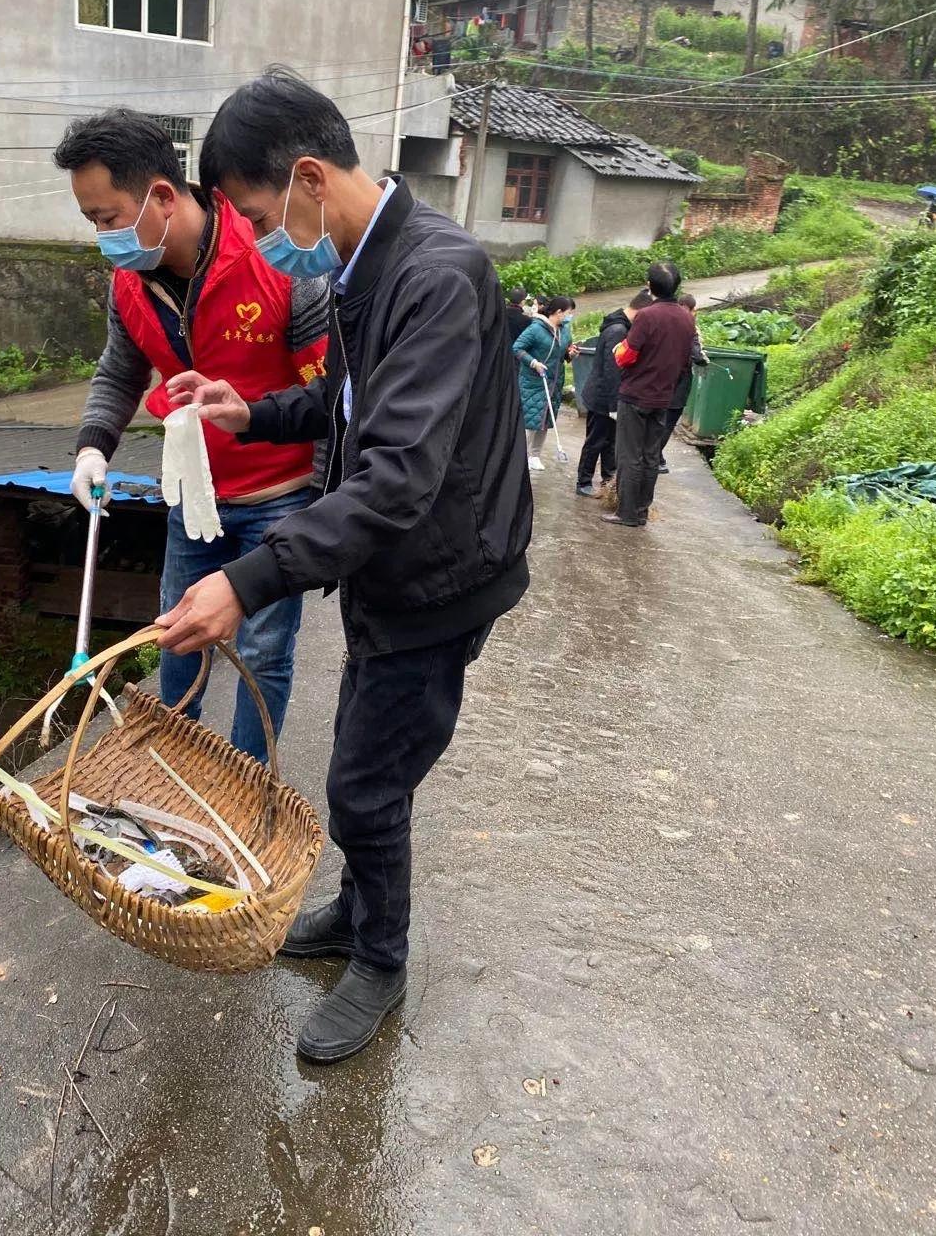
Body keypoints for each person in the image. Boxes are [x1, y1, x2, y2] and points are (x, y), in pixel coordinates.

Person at [154, 69, 532, 1064]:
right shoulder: (365, 268)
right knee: (374, 751)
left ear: (309, 178)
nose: (254, 233)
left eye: (254, 210)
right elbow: (351, 409)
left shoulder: (434, 276)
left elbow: (401, 475)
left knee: (366, 781)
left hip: (441, 572)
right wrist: (254, 408)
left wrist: (247, 579)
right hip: (391, 566)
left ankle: (381, 958)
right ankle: (359, 914)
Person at [52, 110, 329, 765]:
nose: (103, 236)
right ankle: (173, 776)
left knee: (262, 651)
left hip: (281, 496)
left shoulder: (273, 254)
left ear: (163, 196)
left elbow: (328, 394)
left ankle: (246, 786)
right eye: (91, 220)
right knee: (176, 636)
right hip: (195, 493)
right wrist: (93, 447)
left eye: (109, 216)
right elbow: (121, 370)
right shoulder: (130, 284)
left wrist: (320, 505)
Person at [605, 260, 695, 528]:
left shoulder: (647, 316)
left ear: (649, 285)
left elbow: (626, 355)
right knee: (650, 455)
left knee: (629, 456)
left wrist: (617, 350)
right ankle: (642, 511)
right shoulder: (686, 319)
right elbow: (684, 360)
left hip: (636, 395)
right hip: (664, 396)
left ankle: (627, 513)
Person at [575, 289, 653, 497]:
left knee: (610, 442)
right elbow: (612, 371)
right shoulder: (618, 330)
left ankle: (608, 479)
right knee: (596, 441)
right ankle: (583, 481)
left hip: (608, 396)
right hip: (603, 396)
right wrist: (612, 406)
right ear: (640, 312)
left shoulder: (620, 325)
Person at [512, 296, 576, 471]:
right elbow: (517, 348)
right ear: (558, 312)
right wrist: (533, 363)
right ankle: (518, 456)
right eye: (569, 313)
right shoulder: (535, 329)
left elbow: (564, 352)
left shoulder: (564, 331)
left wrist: (570, 353)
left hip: (554, 382)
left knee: (546, 421)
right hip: (534, 381)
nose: (570, 316)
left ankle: (534, 455)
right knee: (530, 420)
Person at [659, 292, 708, 473]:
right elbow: (696, 355)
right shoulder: (689, 326)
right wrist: (704, 360)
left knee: (657, 419)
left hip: (659, 378)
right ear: (690, 309)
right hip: (678, 381)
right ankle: (655, 456)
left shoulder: (664, 321)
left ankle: (653, 455)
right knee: (669, 421)